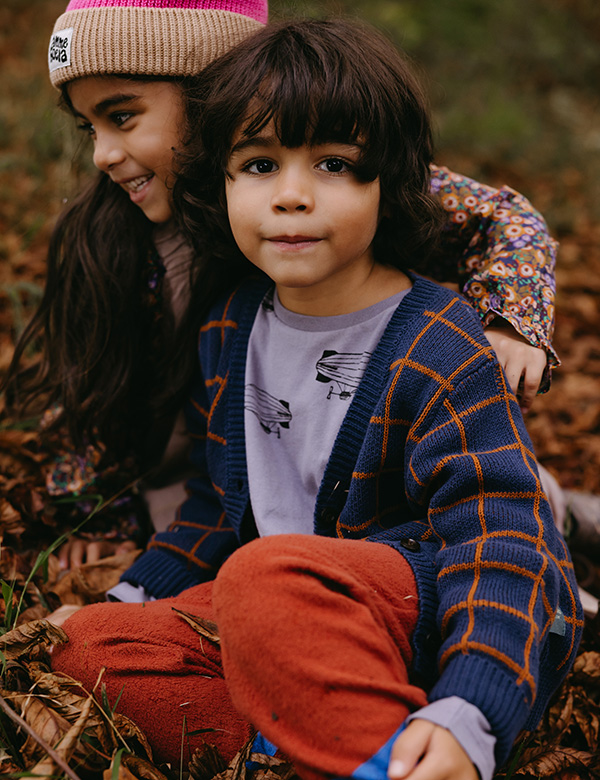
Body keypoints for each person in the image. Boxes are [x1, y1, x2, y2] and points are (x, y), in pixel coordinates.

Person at [50, 19, 584, 780]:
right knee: (95, 644)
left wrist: (475, 707)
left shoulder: (439, 344)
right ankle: (317, 740)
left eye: (334, 165)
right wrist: (133, 594)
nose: (293, 196)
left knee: (264, 579)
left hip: (419, 607)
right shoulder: (230, 326)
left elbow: (499, 542)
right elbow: (213, 500)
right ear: (220, 182)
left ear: (392, 182)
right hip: (282, 610)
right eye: (259, 165)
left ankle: (405, 754)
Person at [1, 0, 561, 576]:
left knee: (497, 500)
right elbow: (93, 387)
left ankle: (557, 515)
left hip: (369, 480)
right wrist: (95, 514)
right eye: (88, 127)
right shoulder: (107, 235)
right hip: (218, 489)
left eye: (122, 117)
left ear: (210, 90)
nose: (103, 154)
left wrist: (508, 321)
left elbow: (501, 220)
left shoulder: (337, 184)